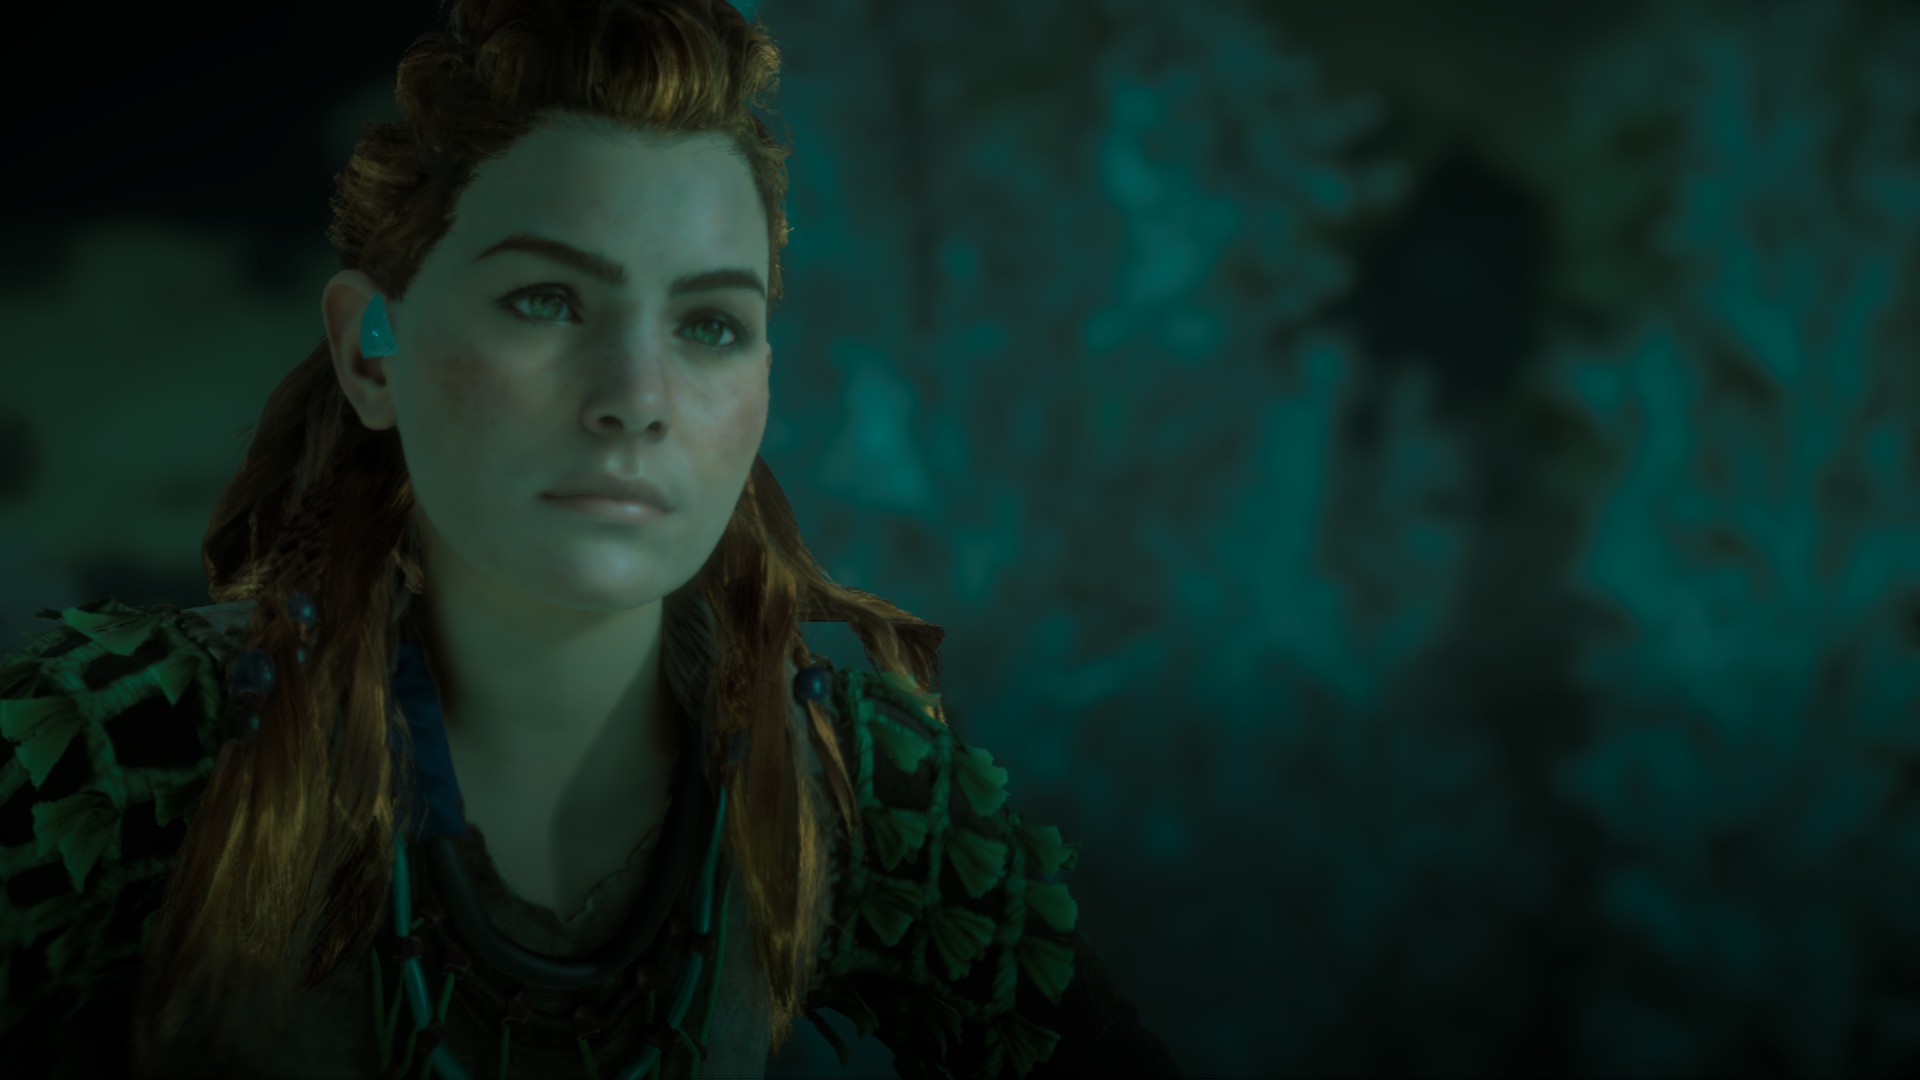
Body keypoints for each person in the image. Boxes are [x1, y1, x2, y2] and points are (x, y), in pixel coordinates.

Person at [0, 0, 1183, 1076]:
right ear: (373, 351)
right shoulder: (130, 753)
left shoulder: (853, 786)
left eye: (710, 324)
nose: (635, 396)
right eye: (547, 300)